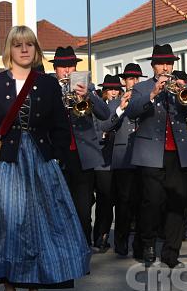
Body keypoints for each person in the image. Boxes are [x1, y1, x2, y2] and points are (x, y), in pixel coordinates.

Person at [0, 25, 90, 291]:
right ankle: (9, 287)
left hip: (42, 162)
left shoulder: (47, 84)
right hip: (7, 162)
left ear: (35, 50)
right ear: (10, 49)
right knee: (8, 224)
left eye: (29, 45)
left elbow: (60, 125)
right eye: (18, 44)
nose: (24, 49)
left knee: (41, 225)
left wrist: (57, 158)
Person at [125, 44, 187, 269]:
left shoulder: (181, 87)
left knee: (178, 203)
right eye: (161, 63)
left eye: (169, 63)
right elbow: (132, 111)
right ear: (153, 65)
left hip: (178, 153)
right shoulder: (143, 87)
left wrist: (185, 95)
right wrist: (153, 93)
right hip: (151, 154)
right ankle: (147, 244)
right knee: (153, 202)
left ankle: (171, 251)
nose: (166, 67)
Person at [51, 46, 111, 246]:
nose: (67, 71)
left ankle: (82, 251)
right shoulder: (49, 87)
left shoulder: (89, 87)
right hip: (56, 155)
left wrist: (88, 97)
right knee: (57, 208)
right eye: (62, 67)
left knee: (83, 210)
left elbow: (105, 114)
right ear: (56, 69)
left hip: (82, 156)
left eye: (70, 66)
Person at [99, 63, 145, 258]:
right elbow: (105, 125)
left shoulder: (145, 99)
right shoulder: (112, 103)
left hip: (142, 155)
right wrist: (120, 109)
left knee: (142, 202)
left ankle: (140, 244)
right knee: (123, 202)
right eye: (129, 79)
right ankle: (121, 242)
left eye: (136, 78)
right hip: (122, 158)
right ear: (124, 81)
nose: (133, 82)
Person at [92, 74, 123, 252]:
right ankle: (100, 235)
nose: (113, 92)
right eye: (110, 89)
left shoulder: (125, 104)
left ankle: (118, 237)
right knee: (105, 199)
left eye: (116, 89)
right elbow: (98, 130)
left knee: (119, 199)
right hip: (103, 159)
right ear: (104, 92)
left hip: (119, 157)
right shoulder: (99, 108)